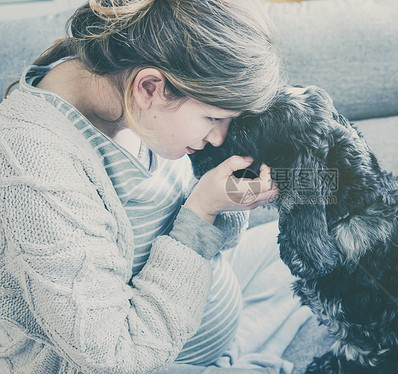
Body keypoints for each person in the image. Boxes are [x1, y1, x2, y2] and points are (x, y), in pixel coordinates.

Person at [0, 0, 311, 373]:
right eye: (213, 117)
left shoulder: (125, 88)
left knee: (327, 250)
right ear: (151, 88)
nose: (218, 138)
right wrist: (202, 212)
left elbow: (211, 243)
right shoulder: (38, 171)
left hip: (198, 312)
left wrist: (220, 201)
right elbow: (117, 360)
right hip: (145, 361)